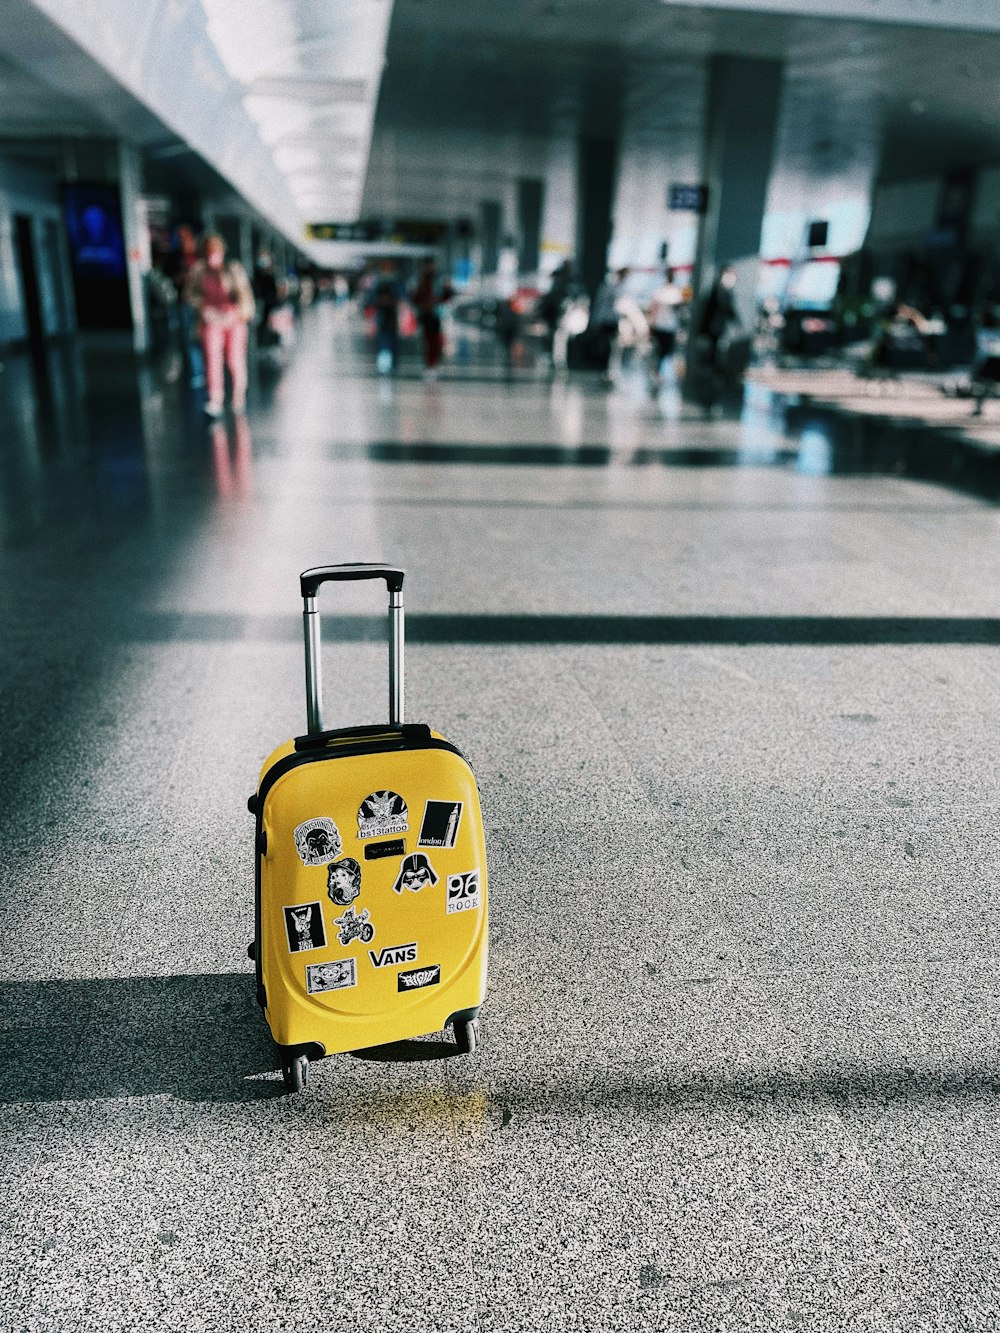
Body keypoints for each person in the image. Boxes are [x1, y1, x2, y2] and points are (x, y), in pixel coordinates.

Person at [184, 233, 255, 417]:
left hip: (234, 320)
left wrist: (238, 313)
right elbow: (189, 295)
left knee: (234, 359)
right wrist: (203, 307)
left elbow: (245, 295)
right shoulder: (199, 271)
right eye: (208, 253)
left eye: (215, 252)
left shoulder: (233, 269)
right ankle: (215, 399)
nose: (212, 256)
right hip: (211, 319)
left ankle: (238, 395)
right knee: (212, 360)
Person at [411, 258, 452, 377]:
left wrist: (438, 301)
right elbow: (415, 297)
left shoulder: (439, 280)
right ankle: (430, 364)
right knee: (427, 341)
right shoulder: (421, 281)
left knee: (435, 340)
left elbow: (447, 295)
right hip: (425, 315)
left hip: (436, 315)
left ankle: (434, 364)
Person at [589, 267, 629, 381]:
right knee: (606, 345)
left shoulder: (615, 288)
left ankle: (608, 369)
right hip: (606, 320)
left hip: (611, 321)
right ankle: (604, 368)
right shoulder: (611, 287)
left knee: (611, 346)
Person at [647, 267, 684, 384]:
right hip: (668, 327)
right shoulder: (675, 293)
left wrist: (651, 324)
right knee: (667, 351)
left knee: (662, 351)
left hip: (661, 326)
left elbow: (653, 309)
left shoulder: (661, 292)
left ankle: (660, 371)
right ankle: (664, 372)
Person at [372, 261, 402, 374]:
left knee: (392, 341)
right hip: (383, 318)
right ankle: (384, 365)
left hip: (392, 318)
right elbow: (372, 299)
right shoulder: (378, 282)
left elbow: (401, 298)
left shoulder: (396, 282)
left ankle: (391, 364)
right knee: (384, 341)